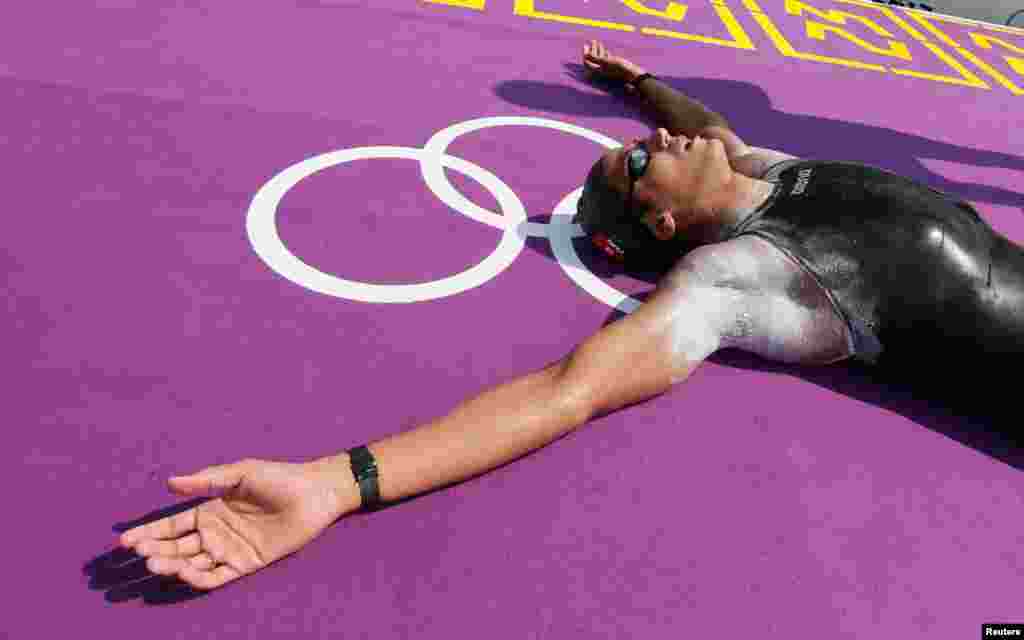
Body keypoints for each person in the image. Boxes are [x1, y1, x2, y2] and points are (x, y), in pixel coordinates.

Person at [115, 40, 1024, 592]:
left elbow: (704, 121)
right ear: (665, 223)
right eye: (639, 163)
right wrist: (335, 482)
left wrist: (639, 87)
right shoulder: (747, 271)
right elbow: (570, 389)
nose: (655, 144)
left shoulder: (771, 171)